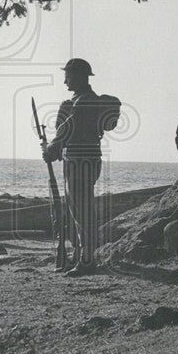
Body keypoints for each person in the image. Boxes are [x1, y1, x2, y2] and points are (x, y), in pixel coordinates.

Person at [43, 58, 119, 277]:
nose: (65, 80)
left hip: (80, 159)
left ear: (78, 76)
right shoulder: (84, 100)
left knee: (81, 211)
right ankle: (81, 256)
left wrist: (51, 149)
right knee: (78, 210)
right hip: (83, 158)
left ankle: (86, 261)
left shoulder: (83, 102)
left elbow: (67, 129)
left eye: (68, 75)